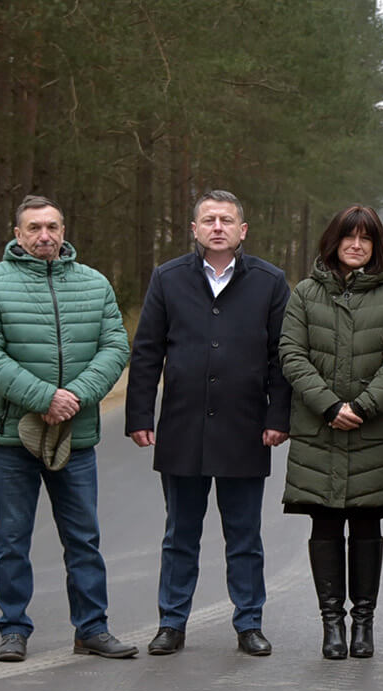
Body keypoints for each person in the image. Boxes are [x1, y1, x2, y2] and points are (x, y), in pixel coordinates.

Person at [0, 195, 135, 662]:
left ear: (64, 230)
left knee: (83, 537)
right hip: (10, 438)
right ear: (18, 234)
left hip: (75, 436)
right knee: (11, 539)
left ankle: (92, 629)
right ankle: (14, 630)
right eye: (35, 227)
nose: (46, 235)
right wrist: (44, 398)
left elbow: (115, 346)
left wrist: (73, 397)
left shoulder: (94, 283)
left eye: (53, 226)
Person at [126, 190, 290, 658]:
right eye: (208, 220)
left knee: (245, 536)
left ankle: (249, 623)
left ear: (243, 231)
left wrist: (279, 416)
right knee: (180, 534)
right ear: (194, 229)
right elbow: (147, 351)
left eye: (227, 220)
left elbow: (284, 357)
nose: (217, 227)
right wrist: (139, 413)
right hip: (182, 428)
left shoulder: (270, 282)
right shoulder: (167, 278)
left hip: (246, 428)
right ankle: (171, 623)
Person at [279, 204, 383, 660]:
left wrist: (363, 406)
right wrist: (330, 405)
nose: (356, 245)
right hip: (320, 430)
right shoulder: (304, 293)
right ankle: (331, 624)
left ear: (376, 246)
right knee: (325, 522)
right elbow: (291, 354)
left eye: (366, 238)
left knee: (367, 523)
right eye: (348, 237)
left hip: (373, 432)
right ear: (333, 241)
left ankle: (363, 625)